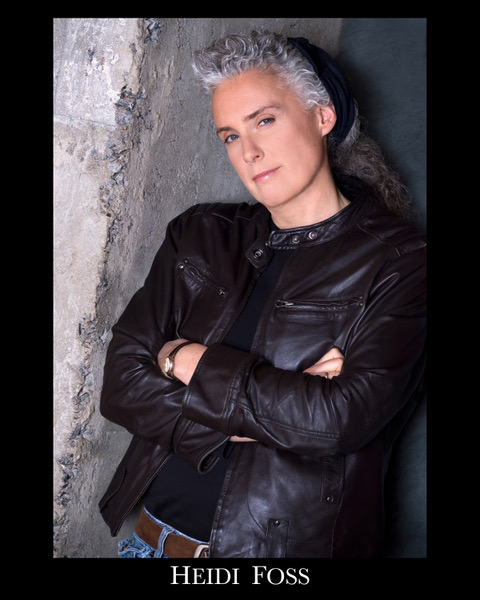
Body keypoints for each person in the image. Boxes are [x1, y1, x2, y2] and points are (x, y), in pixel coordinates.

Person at [98, 30, 426, 558]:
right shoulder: (201, 234)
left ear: (323, 116)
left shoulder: (401, 261)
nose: (248, 152)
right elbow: (120, 384)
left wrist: (183, 358)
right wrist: (272, 408)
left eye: (265, 121)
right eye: (230, 136)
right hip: (149, 545)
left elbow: (335, 422)